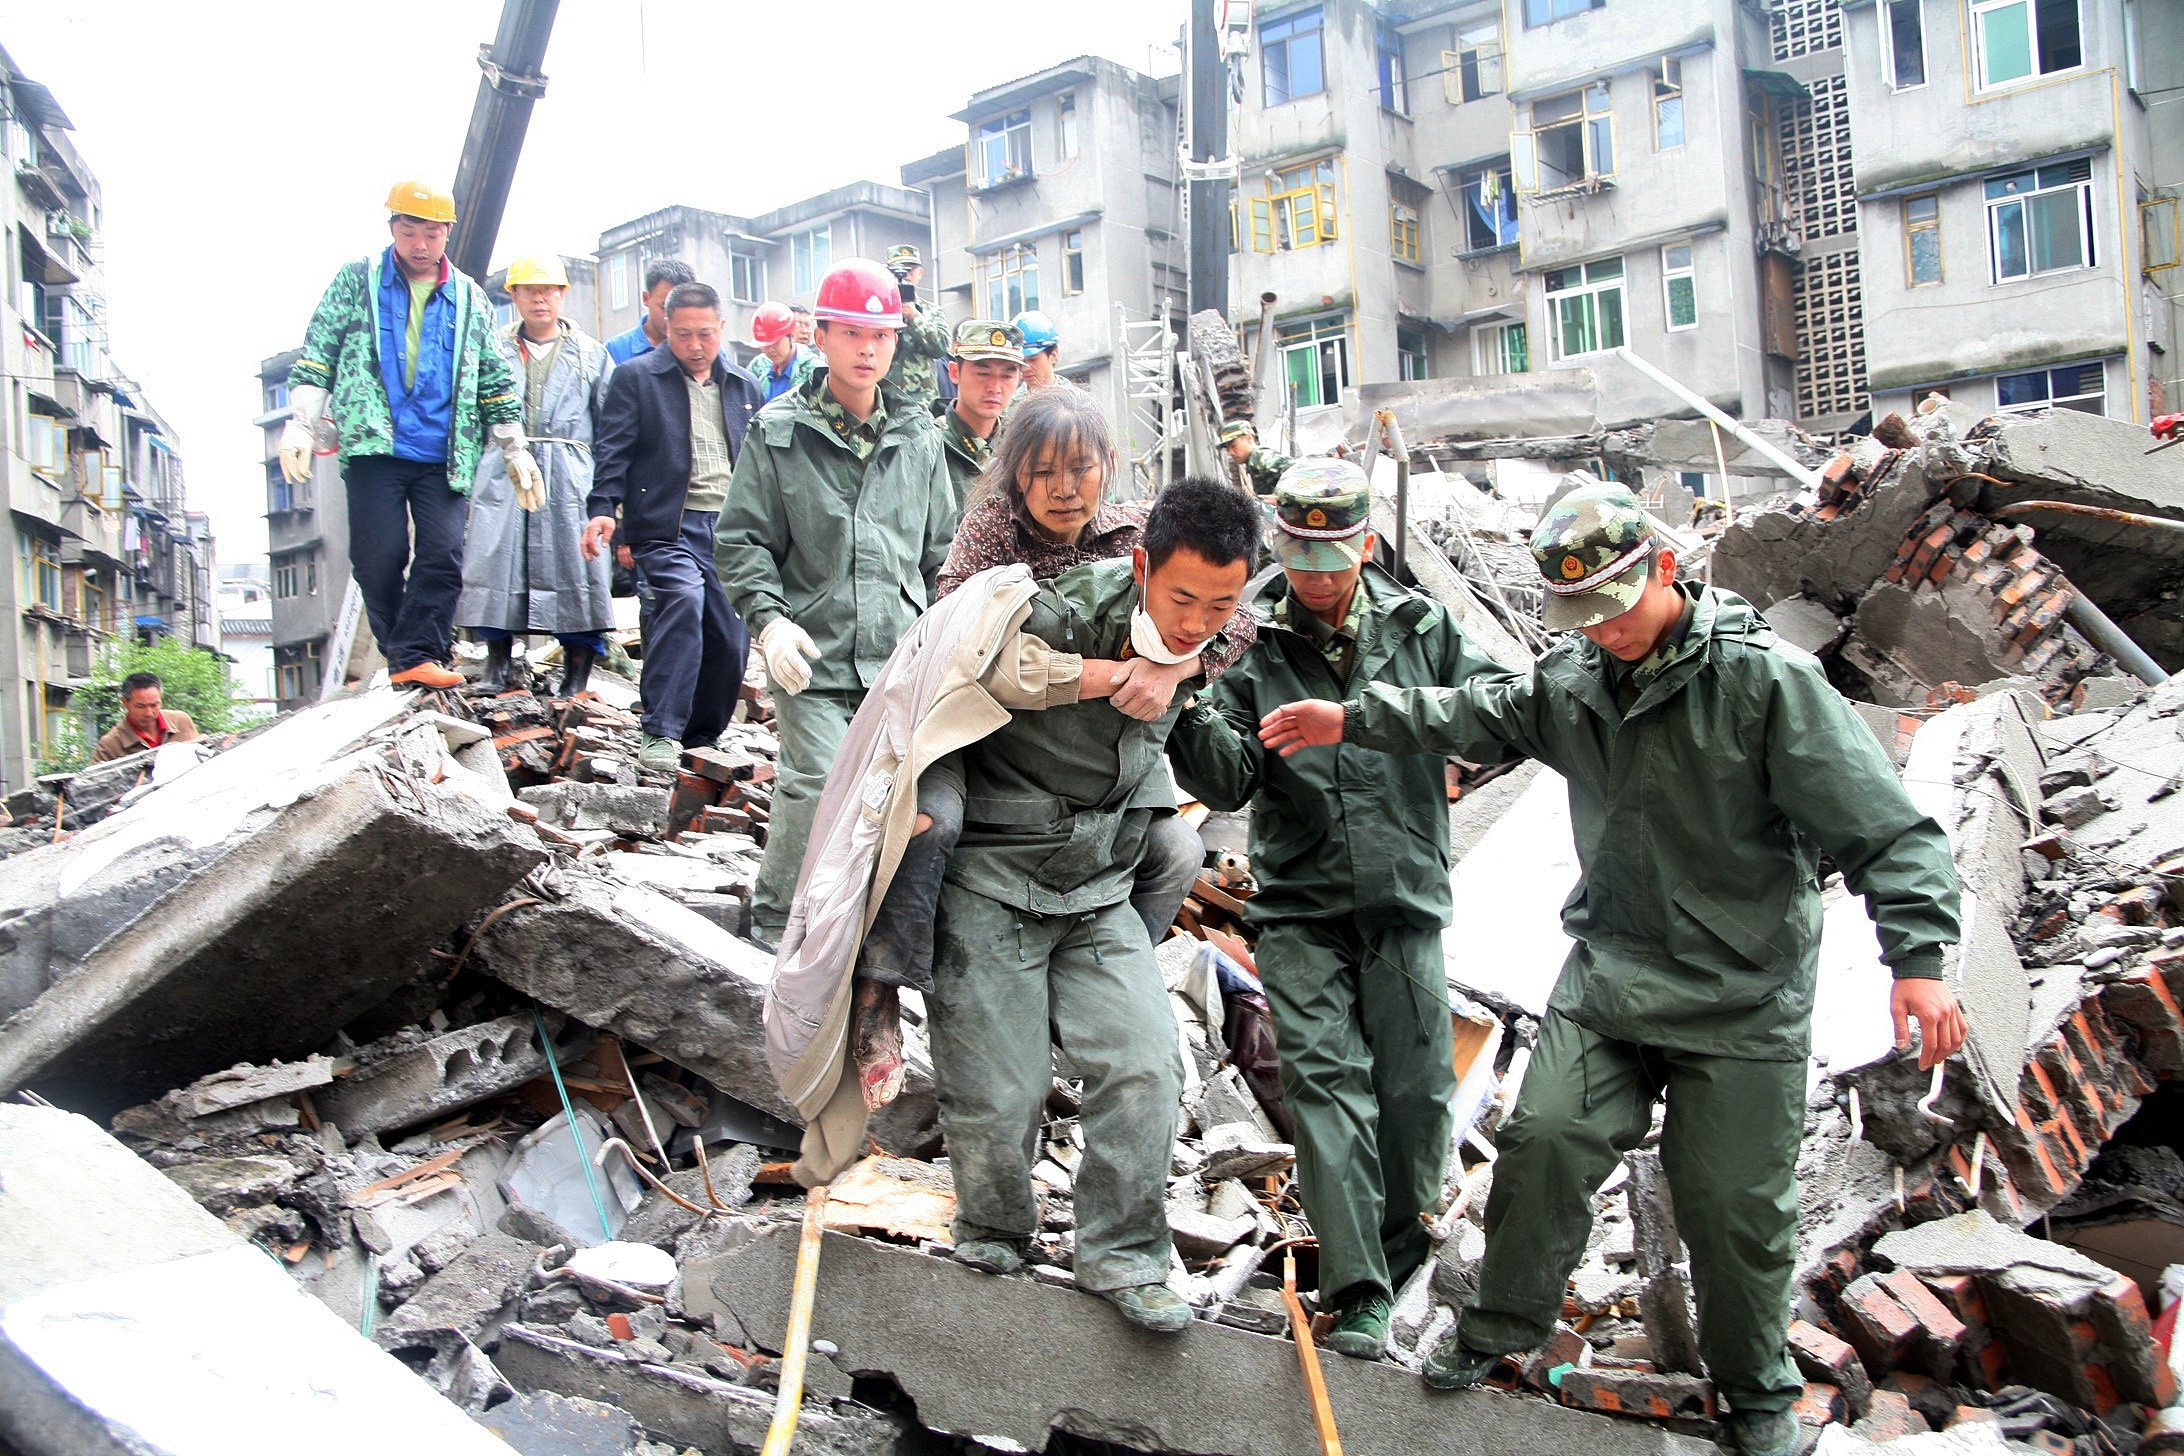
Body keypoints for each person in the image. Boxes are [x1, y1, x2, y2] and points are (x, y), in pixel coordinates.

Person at [1257, 481, 1966, 1456]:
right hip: (1612, 979)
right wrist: (1353, 717)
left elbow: (1885, 826)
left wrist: (1916, 959)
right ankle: (1498, 1329)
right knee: (1542, 1135)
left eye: (1617, 606)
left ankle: (1756, 1394)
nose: (1607, 630)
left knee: (1731, 1207)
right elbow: (1475, 710)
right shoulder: (1576, 683)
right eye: (1582, 615)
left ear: (1666, 569)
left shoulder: (1767, 685)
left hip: (1743, 994)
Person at [1164, 458, 1511, 1363]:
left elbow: (1498, 715)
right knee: (1326, 1086)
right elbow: (1229, 775)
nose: (1315, 574)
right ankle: (1355, 1291)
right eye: (1300, 553)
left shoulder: (1419, 626)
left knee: (1417, 1095)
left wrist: (1367, 719)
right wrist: (1184, 695)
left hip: (1404, 899)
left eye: (1333, 553)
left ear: (1364, 543)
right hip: (1302, 907)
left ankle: (1398, 1261)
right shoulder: (1253, 639)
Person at [850, 388, 1256, 1090]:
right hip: (981, 732)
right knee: (927, 824)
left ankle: (1092, 992)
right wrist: (1104, 673)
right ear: (1014, 476)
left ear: (1110, 463)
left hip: (1099, 750)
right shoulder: (990, 535)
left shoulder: (1138, 536)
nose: (1064, 490)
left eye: (1081, 468)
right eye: (1042, 472)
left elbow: (1241, 618)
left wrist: (1179, 665)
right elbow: (955, 643)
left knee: (1177, 851)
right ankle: (879, 985)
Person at [930, 477, 1262, 1333]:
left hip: (1096, 890)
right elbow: (960, 661)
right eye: (1182, 597)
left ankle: (1121, 1256)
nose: (1196, 619)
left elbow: (1235, 641)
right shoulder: (1064, 613)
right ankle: (995, 1225)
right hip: (992, 882)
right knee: (1003, 1090)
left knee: (1150, 1064)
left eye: (1218, 604)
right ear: (1141, 563)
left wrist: (1182, 660)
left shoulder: (1210, 637)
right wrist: (1112, 671)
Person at [715, 258, 957, 945]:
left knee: (909, 804)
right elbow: (741, 541)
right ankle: (770, 925)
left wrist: (949, 633)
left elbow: (942, 549)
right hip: (812, 657)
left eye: (879, 335)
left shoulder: (917, 434)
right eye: (851, 333)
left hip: (898, 662)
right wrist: (770, 622)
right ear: (820, 335)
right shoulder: (779, 431)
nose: (867, 349)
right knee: (818, 782)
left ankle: (873, 934)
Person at [277, 180, 541, 691]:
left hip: (445, 449)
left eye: (432, 233)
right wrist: (301, 422)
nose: (420, 244)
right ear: (392, 228)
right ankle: (410, 652)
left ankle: (415, 654)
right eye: (409, 230)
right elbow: (318, 352)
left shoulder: (469, 297)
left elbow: (494, 376)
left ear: (447, 234)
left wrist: (515, 447)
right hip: (375, 444)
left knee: (443, 555)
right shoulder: (358, 281)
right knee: (379, 559)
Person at [583, 282, 763, 771]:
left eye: (706, 333)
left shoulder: (745, 386)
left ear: (722, 328)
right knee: (681, 602)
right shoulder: (637, 379)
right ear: (667, 330)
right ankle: (660, 729)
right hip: (667, 524)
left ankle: (702, 734)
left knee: (730, 635)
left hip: (731, 529)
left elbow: (765, 466)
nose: (696, 345)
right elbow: (613, 451)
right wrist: (604, 508)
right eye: (684, 334)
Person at [458, 255, 618, 698]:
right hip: (504, 468)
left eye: (548, 290)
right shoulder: (492, 349)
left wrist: (610, 492)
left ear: (563, 295)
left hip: (570, 472)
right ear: (514, 296)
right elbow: (471, 415)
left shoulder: (592, 354)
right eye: (529, 290)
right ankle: (497, 663)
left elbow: (612, 426)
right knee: (495, 558)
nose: (540, 299)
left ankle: (577, 671)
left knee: (577, 565)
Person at [934, 318, 1022, 504]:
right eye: (983, 374)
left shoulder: (1020, 447)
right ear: (954, 372)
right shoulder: (928, 445)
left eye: (1007, 376)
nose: (995, 387)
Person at [882, 245, 954, 414]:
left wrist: (915, 316)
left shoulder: (932, 311)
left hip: (922, 401)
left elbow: (941, 348)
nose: (904, 275)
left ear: (920, 273)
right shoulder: (879, 309)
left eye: (910, 269)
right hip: (884, 397)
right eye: (897, 271)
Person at [605, 258, 698, 365]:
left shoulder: (704, 349)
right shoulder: (615, 349)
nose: (672, 318)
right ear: (646, 298)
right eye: (664, 307)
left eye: (682, 309)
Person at [93, 672, 199, 761]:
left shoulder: (181, 722)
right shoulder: (110, 745)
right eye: (140, 706)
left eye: (154, 705)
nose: (149, 713)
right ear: (125, 702)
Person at [747, 301, 817, 404]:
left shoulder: (814, 371)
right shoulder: (758, 367)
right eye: (765, 345)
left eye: (776, 343)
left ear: (790, 334)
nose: (771, 349)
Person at [1219, 420, 1292, 496]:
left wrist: (1279, 500)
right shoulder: (1252, 462)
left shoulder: (1263, 457)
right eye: (1227, 449)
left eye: (1233, 446)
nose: (1230, 452)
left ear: (1249, 439)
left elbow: (1298, 474)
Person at [1013, 310, 1060, 391]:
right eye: (1020, 362)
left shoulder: (1076, 400)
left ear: (1054, 355)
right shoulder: (1009, 401)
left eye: (1033, 359)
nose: (1025, 368)